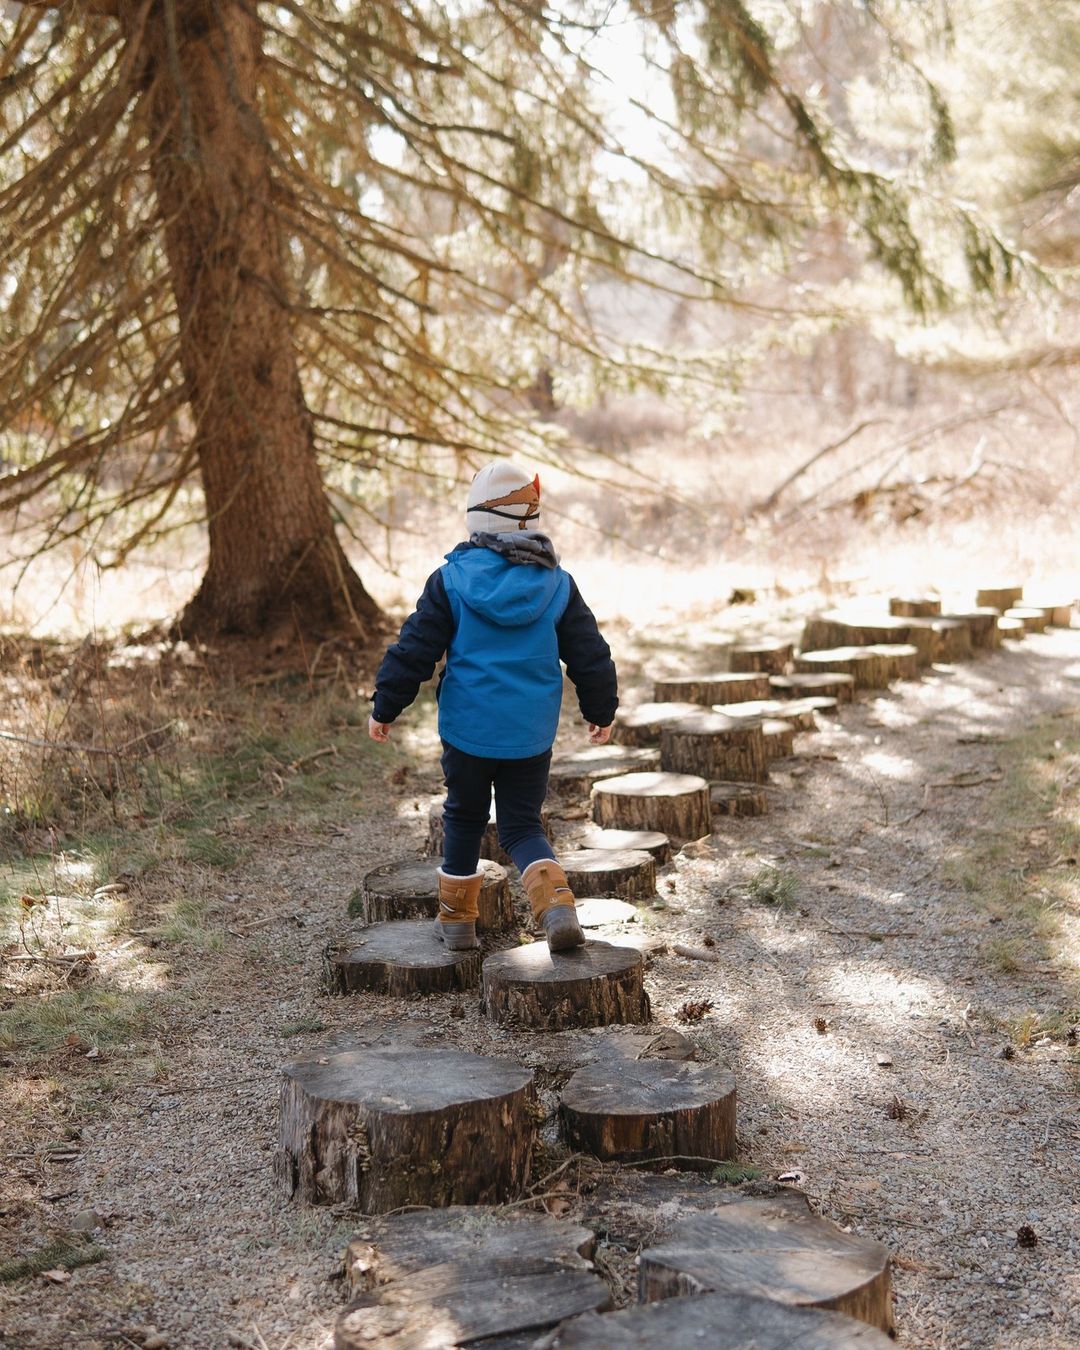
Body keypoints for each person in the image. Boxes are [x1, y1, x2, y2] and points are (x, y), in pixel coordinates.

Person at [369, 461, 618, 953]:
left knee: (463, 815)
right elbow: (589, 652)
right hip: (530, 732)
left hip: (467, 729)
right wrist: (601, 709)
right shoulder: (558, 585)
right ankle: (558, 907)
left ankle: (458, 924)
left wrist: (386, 705)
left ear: (475, 517)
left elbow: (414, 649)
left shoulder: (451, 582)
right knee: (522, 825)